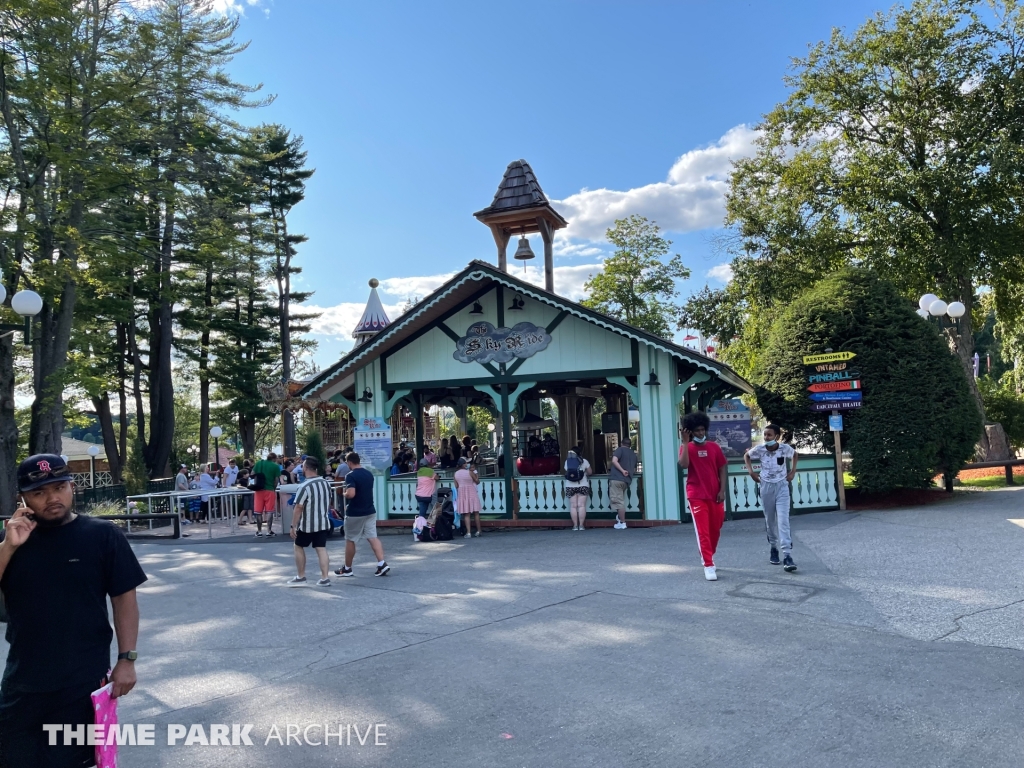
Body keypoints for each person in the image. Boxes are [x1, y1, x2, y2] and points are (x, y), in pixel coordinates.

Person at [0, 454, 147, 767]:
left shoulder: (102, 535)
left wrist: (127, 659)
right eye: (39, 492)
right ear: (23, 498)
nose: (52, 498)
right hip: (23, 680)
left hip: (81, 683)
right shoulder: (11, 541)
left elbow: (124, 599)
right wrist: (9, 546)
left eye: (59, 487)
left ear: (72, 486)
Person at [678, 411, 728, 581]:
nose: (700, 433)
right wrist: (685, 442)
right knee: (703, 532)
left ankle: (709, 556)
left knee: (716, 529)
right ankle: (708, 564)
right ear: (691, 431)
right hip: (696, 495)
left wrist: (722, 490)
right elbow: (683, 465)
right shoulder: (687, 448)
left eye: (702, 430)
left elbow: (722, 467)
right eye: (696, 430)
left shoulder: (714, 447)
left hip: (715, 494)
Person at [745, 424, 799, 572]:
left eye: (769, 435)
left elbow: (795, 455)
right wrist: (751, 472)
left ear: (777, 436)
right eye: (765, 435)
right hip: (766, 487)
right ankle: (774, 548)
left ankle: (787, 555)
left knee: (783, 520)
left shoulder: (784, 449)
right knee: (770, 520)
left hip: (782, 486)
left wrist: (792, 472)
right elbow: (747, 456)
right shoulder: (760, 449)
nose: (766, 437)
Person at [334, 452, 390, 577]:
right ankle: (382, 563)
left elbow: (351, 493)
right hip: (370, 510)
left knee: (350, 540)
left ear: (349, 463)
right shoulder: (368, 474)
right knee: (372, 537)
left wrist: (344, 493)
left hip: (355, 512)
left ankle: (347, 568)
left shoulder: (351, 476)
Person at [288, 457, 334, 587]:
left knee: (298, 546)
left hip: (307, 524)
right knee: (321, 548)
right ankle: (325, 578)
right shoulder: (325, 482)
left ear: (306, 468)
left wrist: (293, 525)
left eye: (302, 466)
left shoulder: (304, 486)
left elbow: (298, 507)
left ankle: (301, 576)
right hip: (323, 522)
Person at [609, 438, 638, 530]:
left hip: (617, 478)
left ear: (621, 443)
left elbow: (614, 460)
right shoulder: (633, 454)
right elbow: (634, 469)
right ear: (630, 445)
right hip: (626, 480)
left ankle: (622, 522)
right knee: (620, 499)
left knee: (618, 502)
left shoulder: (619, 450)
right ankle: (620, 519)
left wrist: (622, 471)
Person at [252, 452, 281, 538]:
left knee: (258, 512)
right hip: (269, 490)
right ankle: (269, 531)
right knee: (269, 511)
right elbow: (276, 480)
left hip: (259, 490)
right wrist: (273, 488)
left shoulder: (259, 463)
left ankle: (259, 531)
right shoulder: (275, 466)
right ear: (274, 459)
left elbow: (252, 474)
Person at [563, 449, 593, 531]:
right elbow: (590, 472)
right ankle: (581, 525)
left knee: (573, 506)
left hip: (570, 486)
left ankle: (575, 526)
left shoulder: (567, 461)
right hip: (583, 485)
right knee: (581, 505)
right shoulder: (584, 461)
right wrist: (584, 473)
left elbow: (567, 471)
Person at [453, 457, 482, 538]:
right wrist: (477, 475)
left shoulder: (456, 474)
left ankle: (468, 533)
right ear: (463, 464)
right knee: (476, 513)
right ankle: (479, 531)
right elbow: (477, 481)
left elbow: (456, 485)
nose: (467, 464)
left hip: (462, 494)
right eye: (465, 463)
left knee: (466, 514)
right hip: (471, 492)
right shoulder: (469, 472)